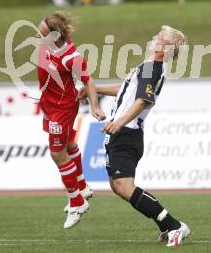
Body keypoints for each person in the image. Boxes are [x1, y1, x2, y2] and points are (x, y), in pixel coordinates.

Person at [78, 25, 190, 247]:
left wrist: (118, 123)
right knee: (117, 185)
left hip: (127, 133)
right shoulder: (149, 67)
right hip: (124, 133)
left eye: (160, 36)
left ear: (164, 47)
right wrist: (96, 89)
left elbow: (143, 100)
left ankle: (174, 225)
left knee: (123, 185)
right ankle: (167, 227)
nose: (154, 37)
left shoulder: (152, 67)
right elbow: (126, 89)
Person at [36, 11, 105, 229]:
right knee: (68, 144)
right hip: (48, 104)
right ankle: (83, 187)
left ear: (55, 37)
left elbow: (89, 81)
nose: (38, 36)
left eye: (42, 33)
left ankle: (77, 201)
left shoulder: (71, 57)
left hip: (62, 109)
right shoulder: (46, 46)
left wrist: (94, 106)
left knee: (57, 153)